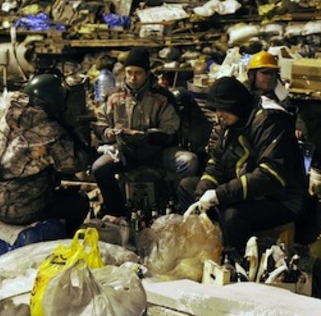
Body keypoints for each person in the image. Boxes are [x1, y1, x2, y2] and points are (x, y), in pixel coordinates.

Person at [177, 76, 308, 249]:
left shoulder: (269, 119)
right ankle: (205, 246)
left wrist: (220, 194)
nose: (218, 116)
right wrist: (202, 193)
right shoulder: (233, 118)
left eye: (221, 110)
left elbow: (272, 174)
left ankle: (234, 262)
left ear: (234, 104)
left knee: (232, 216)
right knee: (187, 186)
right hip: (247, 188)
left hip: (280, 198)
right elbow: (217, 161)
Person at [0, 74, 90, 235]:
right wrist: (77, 129)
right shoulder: (48, 129)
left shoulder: (1, 114)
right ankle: (61, 243)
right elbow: (76, 164)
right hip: (17, 208)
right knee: (78, 202)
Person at [92, 46, 199, 217]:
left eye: (138, 73)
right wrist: (108, 133)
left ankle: (179, 207)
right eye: (129, 72)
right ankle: (115, 211)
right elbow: (100, 123)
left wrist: (147, 136)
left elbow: (171, 129)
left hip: (156, 152)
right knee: (99, 168)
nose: (133, 78)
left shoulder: (162, 97)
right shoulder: (114, 96)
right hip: (126, 152)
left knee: (189, 161)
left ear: (147, 73)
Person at [246, 50, 308, 139]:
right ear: (252, 75)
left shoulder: (279, 94)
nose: (270, 77)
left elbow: (294, 115)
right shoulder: (244, 94)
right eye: (265, 73)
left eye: (272, 73)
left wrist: (298, 129)